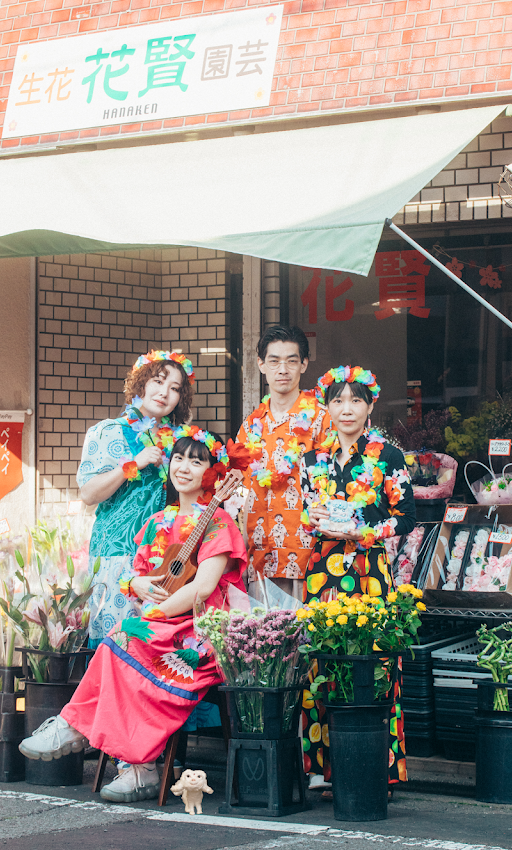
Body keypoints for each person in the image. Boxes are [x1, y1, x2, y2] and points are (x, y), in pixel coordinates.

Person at [19, 430, 247, 804]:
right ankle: (124, 759)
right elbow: (136, 578)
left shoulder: (218, 521)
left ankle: (96, 739)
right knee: (120, 642)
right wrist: (137, 584)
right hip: (158, 626)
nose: (184, 467)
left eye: (196, 461)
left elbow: (203, 587)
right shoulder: (157, 521)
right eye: (178, 458)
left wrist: (156, 612)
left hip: (199, 631)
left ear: (212, 472)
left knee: (128, 642)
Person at [299, 365, 416, 790]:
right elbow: (306, 515)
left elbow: (407, 517)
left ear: (369, 406)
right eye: (338, 401)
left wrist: (364, 533)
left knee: (375, 660)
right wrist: (314, 519)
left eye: (355, 401)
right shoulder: (311, 460)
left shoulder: (389, 457)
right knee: (321, 659)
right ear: (326, 407)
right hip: (322, 571)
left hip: (369, 570)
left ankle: (376, 766)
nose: (346, 409)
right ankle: (321, 766)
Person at [77, 350, 194, 645]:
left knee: (153, 647)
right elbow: (89, 493)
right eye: (158, 381)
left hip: (163, 559)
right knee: (114, 644)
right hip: (116, 555)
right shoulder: (108, 431)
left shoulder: (180, 441)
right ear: (141, 383)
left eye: (175, 388)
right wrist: (133, 464)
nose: (164, 393)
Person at [236, 325, 331, 602]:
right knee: (261, 627)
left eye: (291, 361)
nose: (283, 370)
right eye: (274, 361)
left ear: (304, 364)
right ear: (261, 365)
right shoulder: (251, 425)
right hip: (259, 552)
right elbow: (239, 489)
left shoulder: (322, 419)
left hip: (307, 552)